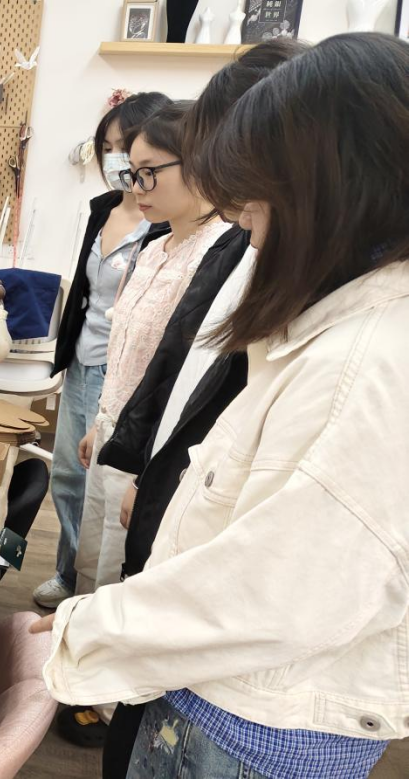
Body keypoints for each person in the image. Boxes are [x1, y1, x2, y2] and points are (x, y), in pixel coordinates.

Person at [36, 32, 409, 778]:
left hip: (245, 734)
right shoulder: (332, 326)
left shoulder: (365, 364)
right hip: (210, 700)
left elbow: (266, 592)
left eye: (255, 194)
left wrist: (76, 635)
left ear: (326, 188)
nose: (242, 220)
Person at [92, 39, 306, 777]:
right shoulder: (231, 244)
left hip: (248, 674)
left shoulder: (267, 254)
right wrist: (136, 456)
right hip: (169, 480)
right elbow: (172, 369)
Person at [54, 101, 230, 747]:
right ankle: (82, 670)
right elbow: (128, 351)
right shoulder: (156, 246)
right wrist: (101, 423)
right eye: (132, 171)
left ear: (199, 164)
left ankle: (107, 699)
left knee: (126, 565)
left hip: (152, 449)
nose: (136, 186)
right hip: (115, 429)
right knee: (93, 551)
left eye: (150, 171)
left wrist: (147, 471)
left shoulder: (219, 253)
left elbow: (184, 379)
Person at [33, 91, 171, 613]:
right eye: (107, 147)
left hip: (125, 372)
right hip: (82, 362)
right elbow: (86, 293)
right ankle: (68, 571)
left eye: (125, 146)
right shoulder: (102, 209)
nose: (115, 158)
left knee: (106, 483)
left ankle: (99, 594)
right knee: (68, 475)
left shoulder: (164, 223)